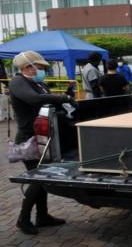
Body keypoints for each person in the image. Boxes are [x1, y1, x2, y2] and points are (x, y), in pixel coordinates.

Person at [9, 51, 75, 235]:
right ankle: (23, 219)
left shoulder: (37, 83)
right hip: (29, 139)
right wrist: (62, 98)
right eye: (38, 67)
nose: (41, 70)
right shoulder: (18, 82)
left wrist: (66, 103)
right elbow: (33, 100)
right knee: (38, 178)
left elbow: (46, 105)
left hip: (44, 138)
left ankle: (42, 216)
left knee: (43, 177)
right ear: (27, 67)